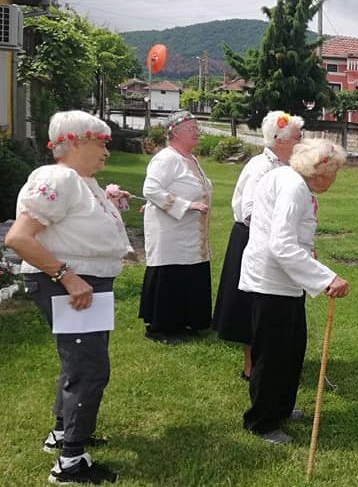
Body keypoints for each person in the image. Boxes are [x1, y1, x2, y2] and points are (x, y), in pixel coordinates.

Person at [5, 111, 131, 484]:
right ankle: (71, 461)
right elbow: (18, 238)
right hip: (70, 285)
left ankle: (63, 432)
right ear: (74, 141)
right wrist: (68, 277)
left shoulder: (81, 181)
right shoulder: (58, 177)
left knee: (78, 362)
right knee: (89, 369)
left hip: (85, 284)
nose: (107, 151)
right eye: (101, 142)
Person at [238, 139, 349, 444]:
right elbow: (281, 244)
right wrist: (327, 278)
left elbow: (286, 236)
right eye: (335, 171)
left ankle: (281, 408)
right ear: (320, 171)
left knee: (291, 350)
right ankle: (261, 421)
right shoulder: (293, 187)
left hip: (285, 281)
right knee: (272, 357)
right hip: (271, 282)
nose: (336, 178)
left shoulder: (289, 179)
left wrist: (306, 256)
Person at [212, 111, 303, 381]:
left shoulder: (286, 167)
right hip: (253, 239)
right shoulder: (260, 166)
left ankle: (270, 357)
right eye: (298, 137)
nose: (301, 141)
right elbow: (249, 209)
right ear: (280, 139)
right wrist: (282, 232)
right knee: (253, 306)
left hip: (274, 240)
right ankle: (252, 366)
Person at [139, 111, 213, 344]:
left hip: (190, 231)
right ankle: (161, 327)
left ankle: (185, 322)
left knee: (190, 271)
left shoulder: (190, 159)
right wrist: (186, 205)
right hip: (170, 230)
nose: (197, 132)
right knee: (171, 274)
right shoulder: (166, 159)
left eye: (197, 128)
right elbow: (150, 189)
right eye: (191, 128)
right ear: (175, 133)